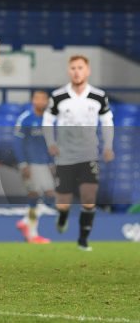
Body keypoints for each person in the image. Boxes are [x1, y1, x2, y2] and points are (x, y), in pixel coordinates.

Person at [43, 55, 115, 251]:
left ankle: (83, 240)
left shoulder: (99, 96)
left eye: (80, 68)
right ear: (69, 71)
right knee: (64, 202)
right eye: (73, 68)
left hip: (88, 154)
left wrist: (108, 146)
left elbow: (107, 122)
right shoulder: (58, 96)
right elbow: (48, 121)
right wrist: (51, 143)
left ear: (87, 70)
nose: (77, 71)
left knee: (89, 198)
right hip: (65, 156)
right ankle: (63, 215)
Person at [13, 90, 55, 244]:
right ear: (32, 100)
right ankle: (32, 233)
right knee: (42, 194)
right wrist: (23, 163)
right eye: (38, 98)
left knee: (41, 197)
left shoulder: (48, 120)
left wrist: (51, 162)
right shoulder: (25, 119)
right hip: (31, 163)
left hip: (44, 163)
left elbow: (49, 143)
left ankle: (27, 224)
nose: (41, 101)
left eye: (44, 98)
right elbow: (17, 142)